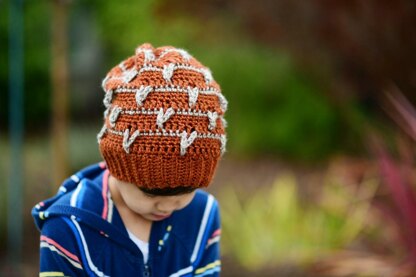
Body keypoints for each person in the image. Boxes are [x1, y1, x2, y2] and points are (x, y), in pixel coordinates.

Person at [32, 43, 228, 277]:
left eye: (186, 191)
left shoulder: (202, 215)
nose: (167, 207)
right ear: (117, 166)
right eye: (151, 193)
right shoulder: (68, 230)